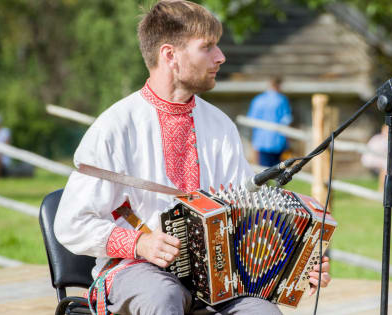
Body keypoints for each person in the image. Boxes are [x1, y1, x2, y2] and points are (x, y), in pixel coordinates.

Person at [54, 1, 331, 314]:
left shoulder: (220, 125)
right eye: (208, 47)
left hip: (217, 279)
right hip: (134, 269)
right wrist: (139, 243)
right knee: (162, 296)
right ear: (170, 56)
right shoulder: (116, 126)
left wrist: (296, 264)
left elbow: (242, 214)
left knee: (262, 312)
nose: (220, 56)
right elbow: (70, 223)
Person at [247, 77, 292, 167]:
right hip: (278, 141)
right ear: (279, 86)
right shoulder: (282, 100)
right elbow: (287, 120)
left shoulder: (258, 100)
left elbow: (251, 120)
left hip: (261, 141)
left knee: (263, 171)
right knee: (278, 170)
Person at [362, 120, 392, 196]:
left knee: (387, 169)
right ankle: (384, 191)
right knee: (386, 168)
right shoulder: (380, 139)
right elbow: (369, 156)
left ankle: (389, 190)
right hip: (379, 162)